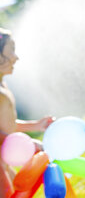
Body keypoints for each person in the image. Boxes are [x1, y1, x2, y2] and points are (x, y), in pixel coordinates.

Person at [0, 27, 55, 197]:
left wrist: (36, 125)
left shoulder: (3, 86)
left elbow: (7, 125)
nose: (16, 57)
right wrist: (30, 144)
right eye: (11, 51)